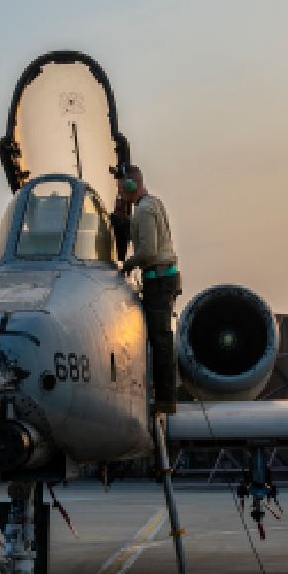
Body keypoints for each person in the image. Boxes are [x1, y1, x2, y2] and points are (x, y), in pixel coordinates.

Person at [112, 166, 181, 414]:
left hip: (158, 280)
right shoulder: (154, 203)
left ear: (130, 186)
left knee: (160, 339)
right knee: (160, 337)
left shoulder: (143, 211)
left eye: (121, 188)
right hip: (166, 277)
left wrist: (126, 266)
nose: (119, 194)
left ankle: (165, 400)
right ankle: (165, 397)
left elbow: (148, 252)